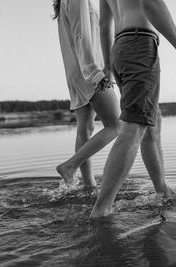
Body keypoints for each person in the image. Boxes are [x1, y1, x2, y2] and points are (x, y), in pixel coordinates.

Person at [91, 0, 176, 218]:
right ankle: (102, 208)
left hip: (119, 49)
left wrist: (109, 64)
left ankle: (162, 190)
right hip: (139, 45)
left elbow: (104, 24)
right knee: (133, 127)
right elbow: (150, 4)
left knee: (152, 120)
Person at [53, 0, 121, 190]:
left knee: (85, 127)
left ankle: (89, 185)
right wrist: (95, 73)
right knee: (117, 125)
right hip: (89, 71)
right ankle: (70, 166)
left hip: (77, 71)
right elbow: (80, 35)